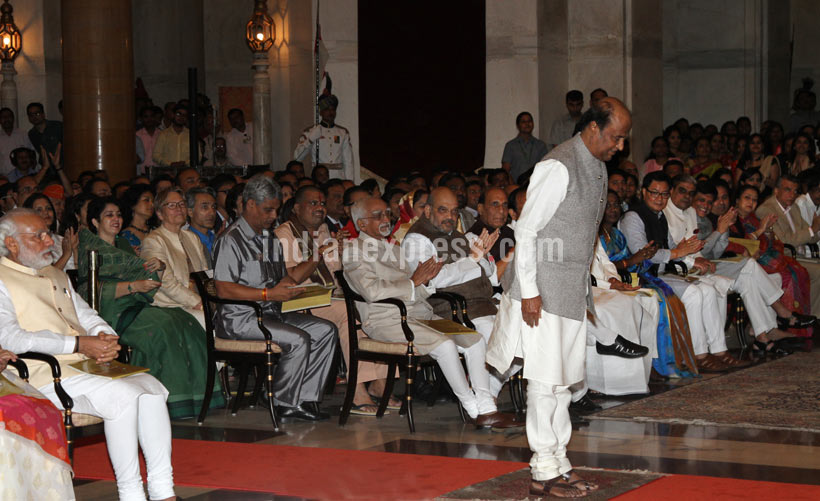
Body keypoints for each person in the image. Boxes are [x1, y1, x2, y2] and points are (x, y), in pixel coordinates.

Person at [487, 97, 633, 497]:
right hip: (544, 288)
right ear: (591, 129)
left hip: (571, 287)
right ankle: (542, 469)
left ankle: (559, 460)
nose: (619, 147)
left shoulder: (598, 168)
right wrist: (531, 292)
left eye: (623, 140)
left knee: (565, 383)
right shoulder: (557, 165)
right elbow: (528, 230)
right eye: (615, 138)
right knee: (544, 381)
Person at [0, 208, 177, 500]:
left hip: (83, 367)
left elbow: (87, 315)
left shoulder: (55, 274)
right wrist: (79, 345)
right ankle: (130, 493)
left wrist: (104, 336)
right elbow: (10, 338)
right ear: (12, 244)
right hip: (41, 374)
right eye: (39, 236)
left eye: (48, 233)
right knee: (122, 396)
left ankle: (163, 490)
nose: (49, 242)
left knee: (153, 389)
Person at [343, 196, 520, 429]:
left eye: (387, 213)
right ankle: (473, 409)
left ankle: (487, 408)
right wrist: (414, 282)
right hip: (386, 319)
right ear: (361, 225)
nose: (385, 219)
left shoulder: (394, 249)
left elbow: (421, 289)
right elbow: (371, 291)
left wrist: (425, 282)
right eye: (377, 216)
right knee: (444, 345)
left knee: (474, 340)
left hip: (421, 315)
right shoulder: (353, 250)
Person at [78, 197, 221, 420]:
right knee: (162, 329)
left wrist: (158, 268)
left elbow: (145, 274)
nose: (116, 219)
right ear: (95, 222)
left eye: (118, 214)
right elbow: (89, 290)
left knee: (185, 321)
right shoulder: (90, 249)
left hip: (136, 304)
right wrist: (134, 286)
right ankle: (166, 401)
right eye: (109, 215)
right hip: (110, 312)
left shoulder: (124, 245)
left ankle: (200, 397)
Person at [213, 175, 338, 422]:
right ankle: (281, 401)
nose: (273, 216)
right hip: (240, 319)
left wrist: (306, 272)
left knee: (325, 330)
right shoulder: (231, 239)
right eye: (267, 209)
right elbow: (223, 289)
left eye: (276, 210)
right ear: (250, 205)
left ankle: (305, 399)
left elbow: (286, 277)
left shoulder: (269, 238)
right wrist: (268, 294)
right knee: (299, 339)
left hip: (270, 314)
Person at [275, 186, 398, 415]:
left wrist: (340, 253)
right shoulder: (285, 233)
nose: (320, 208)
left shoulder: (323, 229)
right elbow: (292, 277)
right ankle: (357, 390)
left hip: (328, 295)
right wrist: (319, 253)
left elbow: (334, 272)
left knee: (375, 306)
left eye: (322, 203)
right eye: (313, 203)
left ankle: (380, 382)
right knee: (348, 313)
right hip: (299, 299)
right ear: (296, 208)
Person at [402, 186, 521, 399]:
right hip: (448, 309)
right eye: (443, 210)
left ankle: (489, 390)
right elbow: (434, 280)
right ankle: (486, 398)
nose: (451, 216)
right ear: (428, 211)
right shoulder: (417, 239)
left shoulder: (458, 236)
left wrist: (483, 256)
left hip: (481, 304)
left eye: (454, 211)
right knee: (502, 340)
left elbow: (492, 277)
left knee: (524, 336)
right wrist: (472, 259)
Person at [728, 185, 814, 350]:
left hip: (755, 262)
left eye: (754, 200)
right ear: (737, 200)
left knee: (780, 276)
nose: (751, 203)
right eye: (747, 198)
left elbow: (767, 246)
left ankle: (765, 329)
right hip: (738, 266)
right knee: (778, 274)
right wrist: (761, 231)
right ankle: (783, 316)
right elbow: (733, 245)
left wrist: (766, 234)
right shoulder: (731, 219)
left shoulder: (753, 219)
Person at [141, 187, 210, 328]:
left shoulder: (192, 238)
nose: (179, 208)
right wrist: (198, 302)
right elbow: (166, 283)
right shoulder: (154, 240)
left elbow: (205, 274)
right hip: (170, 306)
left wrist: (211, 299)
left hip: (198, 301)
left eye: (182, 204)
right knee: (211, 322)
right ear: (160, 213)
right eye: (172, 205)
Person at [755, 174, 820, 315]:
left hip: (800, 254)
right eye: (787, 190)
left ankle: (814, 314)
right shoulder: (766, 210)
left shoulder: (793, 207)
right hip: (783, 258)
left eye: (795, 191)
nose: (792, 195)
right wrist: (812, 229)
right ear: (776, 191)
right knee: (818, 271)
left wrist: (813, 230)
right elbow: (785, 241)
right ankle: (812, 316)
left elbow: (811, 236)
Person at [294, 94, 355, 180]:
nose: (330, 113)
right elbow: (297, 158)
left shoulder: (343, 133)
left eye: (333, 110)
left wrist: (349, 182)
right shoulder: (310, 132)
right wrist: (311, 139)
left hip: (338, 178)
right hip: (318, 178)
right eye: (327, 109)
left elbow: (348, 162)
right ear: (321, 112)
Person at [22, 192, 76, 270]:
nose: (46, 212)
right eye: (39, 210)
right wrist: (66, 255)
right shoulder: (30, 244)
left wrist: (75, 249)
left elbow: (74, 269)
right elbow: (46, 276)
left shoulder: (61, 240)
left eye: (48, 208)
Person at [502, 111, 549, 184]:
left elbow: (546, 167)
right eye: (523, 122)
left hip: (536, 186)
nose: (527, 124)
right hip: (516, 186)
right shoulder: (510, 145)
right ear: (518, 125)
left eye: (529, 121)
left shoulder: (541, 145)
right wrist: (513, 187)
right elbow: (505, 170)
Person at [119, 184, 156, 256]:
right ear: (133, 204)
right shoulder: (124, 236)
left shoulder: (156, 230)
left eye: (153, 201)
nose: (152, 204)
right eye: (146, 200)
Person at [0, 107, 35, 177]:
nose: (6, 119)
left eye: (9, 116)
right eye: (3, 117)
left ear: (13, 118)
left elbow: (32, 154)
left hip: (24, 176)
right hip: (4, 177)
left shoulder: (23, 134)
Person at [184, 186, 217, 258]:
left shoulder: (218, 239)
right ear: (190, 212)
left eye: (214, 207)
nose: (212, 212)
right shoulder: (184, 243)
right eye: (205, 207)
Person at [136, 106, 162, 175]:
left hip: (159, 172)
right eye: (146, 117)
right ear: (141, 119)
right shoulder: (137, 136)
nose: (149, 119)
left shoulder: (162, 134)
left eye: (152, 116)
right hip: (142, 173)